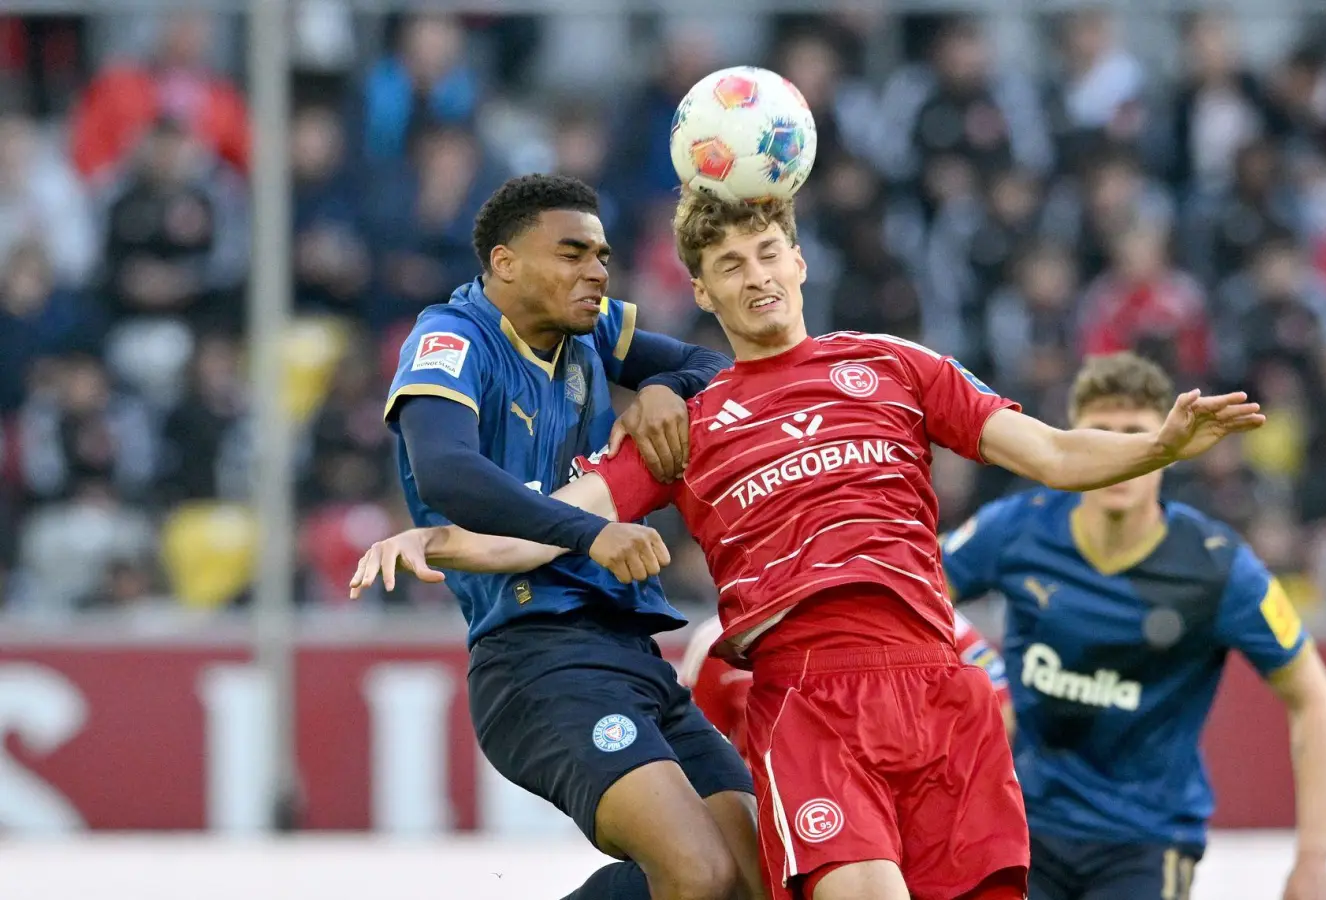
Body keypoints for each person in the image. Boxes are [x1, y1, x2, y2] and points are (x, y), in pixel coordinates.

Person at [352, 191, 1264, 900]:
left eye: (765, 254)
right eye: (727, 266)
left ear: (798, 259)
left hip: (943, 691)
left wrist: (1158, 447)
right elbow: (560, 523)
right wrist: (438, 540)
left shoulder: (898, 366)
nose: (754, 277)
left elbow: (1055, 453)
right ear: (701, 292)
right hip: (811, 704)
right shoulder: (691, 426)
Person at [383, 173, 762, 900]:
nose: (595, 271)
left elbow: (712, 367)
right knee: (698, 874)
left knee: (756, 881)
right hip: (536, 658)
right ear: (504, 263)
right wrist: (591, 533)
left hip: (631, 655)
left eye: (603, 257)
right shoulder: (451, 338)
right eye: (572, 253)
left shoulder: (592, 332)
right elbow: (447, 472)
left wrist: (661, 389)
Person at [941, 352, 1326, 900]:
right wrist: (982, 669)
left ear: (1167, 448)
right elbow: (911, 595)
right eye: (1099, 434)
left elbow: (1312, 698)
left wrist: (1313, 860)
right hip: (1021, 823)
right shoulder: (1018, 526)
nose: (1115, 450)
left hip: (1146, 840)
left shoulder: (1216, 567)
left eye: (1133, 434)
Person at [677, 609, 1012, 759]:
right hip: (766, 827)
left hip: (913, 821)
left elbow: (1000, 716)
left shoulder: (945, 624)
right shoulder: (719, 641)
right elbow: (699, 752)